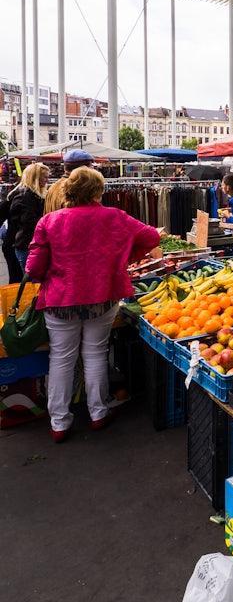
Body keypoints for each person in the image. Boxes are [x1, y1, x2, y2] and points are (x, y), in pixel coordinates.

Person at [25, 167, 161, 442]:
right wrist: (121, 260)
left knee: (61, 359)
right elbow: (151, 238)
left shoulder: (50, 221)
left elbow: (34, 267)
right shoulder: (114, 216)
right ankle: (98, 413)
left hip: (61, 299)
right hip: (103, 296)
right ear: (98, 191)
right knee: (96, 354)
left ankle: (59, 423)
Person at [7, 162, 49, 272]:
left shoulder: (34, 195)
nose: (46, 180)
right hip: (26, 245)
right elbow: (29, 222)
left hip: (29, 244)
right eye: (45, 177)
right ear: (36, 178)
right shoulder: (25, 196)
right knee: (32, 283)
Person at [44, 148, 96, 213]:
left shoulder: (52, 187)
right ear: (84, 169)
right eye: (91, 166)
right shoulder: (77, 189)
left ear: (65, 167)